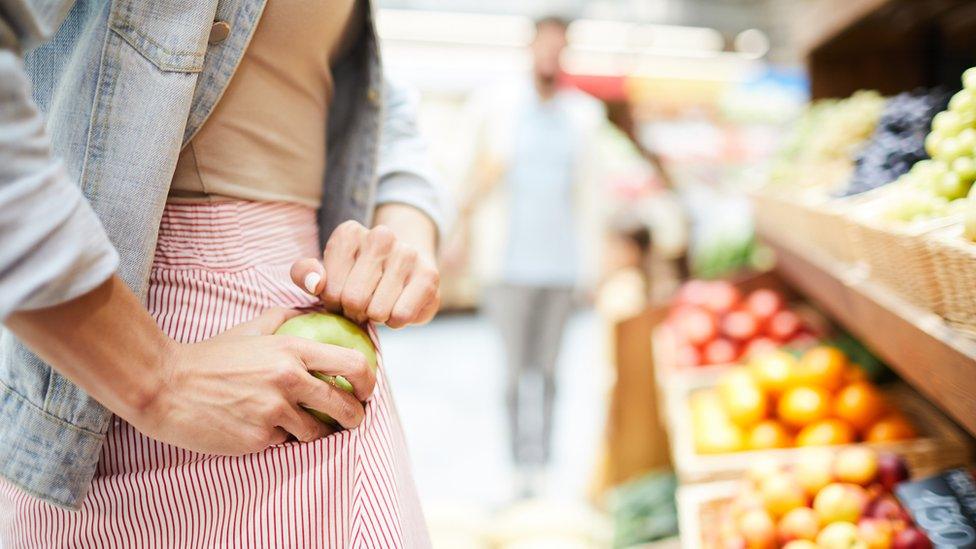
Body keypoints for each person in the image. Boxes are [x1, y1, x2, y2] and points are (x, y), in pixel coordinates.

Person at [0, 0, 446, 546]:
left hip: (320, 372)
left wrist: (403, 235)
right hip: (132, 365)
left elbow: (373, 94)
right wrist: (156, 378)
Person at [452, 15, 607, 496]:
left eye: (559, 48)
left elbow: (593, 197)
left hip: (561, 267)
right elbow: (468, 174)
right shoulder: (496, 107)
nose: (550, 56)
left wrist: (595, 266)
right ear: (530, 48)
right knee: (515, 374)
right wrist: (458, 234)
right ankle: (519, 468)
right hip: (508, 267)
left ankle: (545, 463)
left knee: (553, 372)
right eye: (544, 46)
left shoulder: (584, 115)